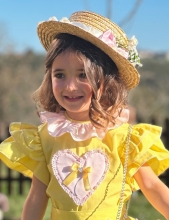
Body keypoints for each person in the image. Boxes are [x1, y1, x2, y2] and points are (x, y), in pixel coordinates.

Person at [0, 11, 169, 220]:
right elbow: (36, 196)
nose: (70, 86)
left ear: (107, 81)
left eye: (83, 75)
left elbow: (152, 186)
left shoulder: (125, 139)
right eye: (59, 75)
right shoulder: (45, 138)